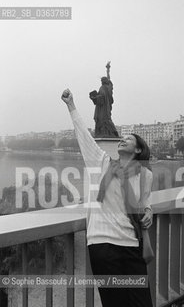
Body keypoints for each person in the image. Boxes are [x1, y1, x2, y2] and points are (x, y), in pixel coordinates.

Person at [61, 88, 153, 307]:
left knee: (143, 303)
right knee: (115, 303)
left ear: (138, 150)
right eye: (122, 138)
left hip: (131, 244)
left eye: (128, 139)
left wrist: (149, 211)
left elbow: (145, 203)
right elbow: (84, 136)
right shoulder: (101, 163)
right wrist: (71, 106)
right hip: (102, 244)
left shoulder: (145, 174)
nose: (122, 140)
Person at [89, 61, 119, 138]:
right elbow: (99, 96)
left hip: (105, 108)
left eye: (102, 80)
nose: (101, 82)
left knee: (105, 120)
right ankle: (102, 132)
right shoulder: (104, 87)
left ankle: (114, 132)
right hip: (101, 107)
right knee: (101, 120)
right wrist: (94, 97)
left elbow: (101, 96)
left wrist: (108, 69)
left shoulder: (107, 87)